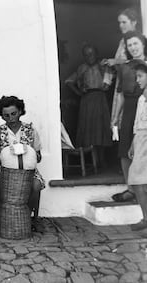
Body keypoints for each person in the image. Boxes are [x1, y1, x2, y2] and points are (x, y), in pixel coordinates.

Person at [101, 8, 138, 202]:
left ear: (134, 22)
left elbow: (137, 60)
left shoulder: (139, 42)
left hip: (140, 98)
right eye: (119, 23)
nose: (121, 26)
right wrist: (108, 77)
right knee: (125, 144)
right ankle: (131, 187)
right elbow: (118, 69)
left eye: (124, 22)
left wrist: (117, 61)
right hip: (125, 95)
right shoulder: (121, 43)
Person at [0, 96, 45, 220]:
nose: (11, 118)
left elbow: (38, 157)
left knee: (36, 185)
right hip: (3, 170)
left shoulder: (30, 130)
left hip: (27, 170)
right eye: (6, 115)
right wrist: (8, 156)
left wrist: (29, 155)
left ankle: (26, 215)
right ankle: (3, 213)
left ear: (20, 111)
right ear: (1, 116)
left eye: (13, 114)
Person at [109, 31, 146, 203]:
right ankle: (131, 189)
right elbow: (122, 94)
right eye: (129, 45)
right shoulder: (125, 67)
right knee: (125, 150)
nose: (133, 47)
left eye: (135, 43)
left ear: (143, 44)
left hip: (144, 108)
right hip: (130, 110)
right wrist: (116, 116)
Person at [66, 44, 112, 166]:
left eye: (91, 54)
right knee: (89, 130)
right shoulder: (81, 68)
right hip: (87, 100)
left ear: (96, 54)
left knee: (101, 128)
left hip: (100, 98)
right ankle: (94, 161)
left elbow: (108, 84)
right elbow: (69, 81)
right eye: (86, 54)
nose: (89, 57)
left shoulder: (103, 66)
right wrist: (79, 92)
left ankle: (102, 160)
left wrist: (104, 74)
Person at [127, 61, 147, 234]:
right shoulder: (141, 98)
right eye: (136, 77)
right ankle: (145, 217)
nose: (138, 80)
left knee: (141, 180)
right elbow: (137, 123)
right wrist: (134, 144)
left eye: (140, 76)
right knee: (137, 180)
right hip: (140, 140)